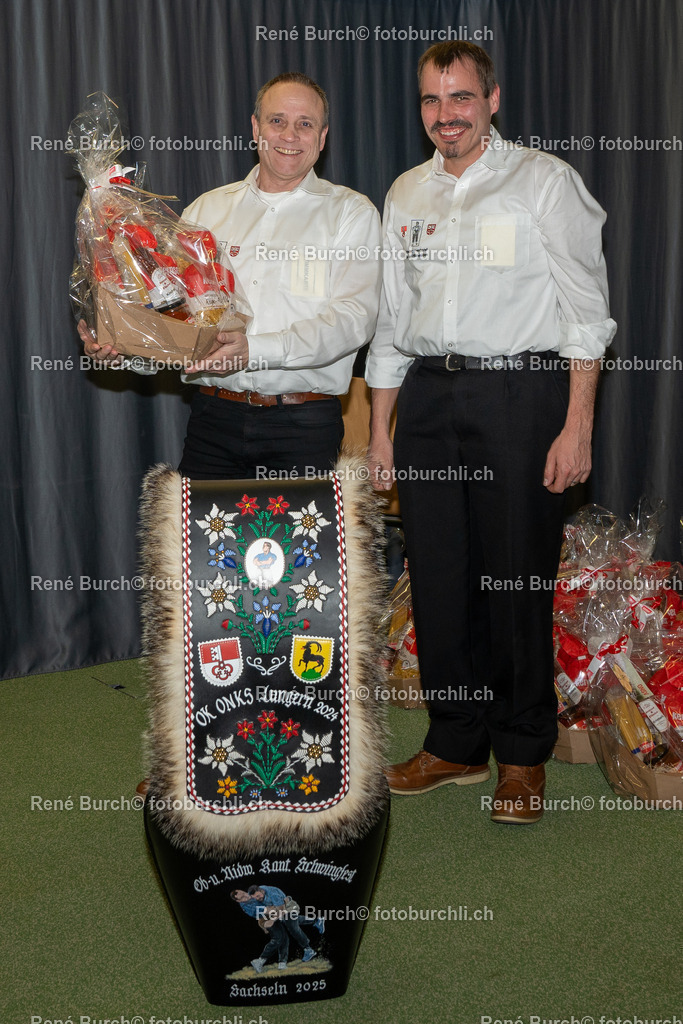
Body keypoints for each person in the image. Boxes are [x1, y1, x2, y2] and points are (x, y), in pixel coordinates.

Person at [365, 41, 616, 824]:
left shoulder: (542, 182)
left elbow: (587, 315)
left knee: (512, 580)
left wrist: (576, 427)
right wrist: (380, 433)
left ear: (493, 99)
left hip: (519, 395)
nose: (446, 116)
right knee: (439, 576)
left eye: (461, 98)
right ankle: (454, 743)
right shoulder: (404, 192)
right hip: (428, 402)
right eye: (431, 102)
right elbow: (387, 324)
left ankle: (521, 755)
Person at [79, 71, 381, 481]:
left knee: (301, 548)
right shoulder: (206, 211)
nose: (289, 135)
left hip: (303, 428)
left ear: (322, 136)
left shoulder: (351, 213)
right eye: (277, 121)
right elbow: (175, 320)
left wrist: (253, 349)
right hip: (211, 422)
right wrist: (126, 344)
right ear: (256, 128)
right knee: (201, 546)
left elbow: (353, 321)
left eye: (305, 124)